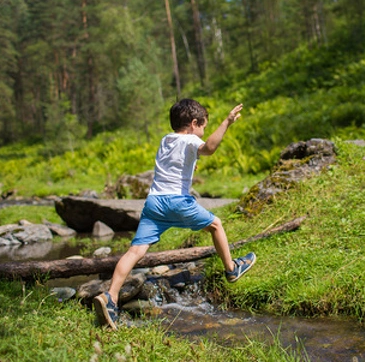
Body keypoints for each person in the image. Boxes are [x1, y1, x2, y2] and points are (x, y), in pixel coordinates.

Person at [94, 99, 256, 330]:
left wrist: (192, 163)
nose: (203, 133)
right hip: (177, 202)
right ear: (193, 124)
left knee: (136, 251)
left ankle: (111, 297)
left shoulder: (166, 140)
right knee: (216, 225)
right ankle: (231, 269)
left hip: (154, 203)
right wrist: (227, 122)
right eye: (203, 127)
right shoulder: (191, 139)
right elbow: (209, 148)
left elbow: (176, 162)